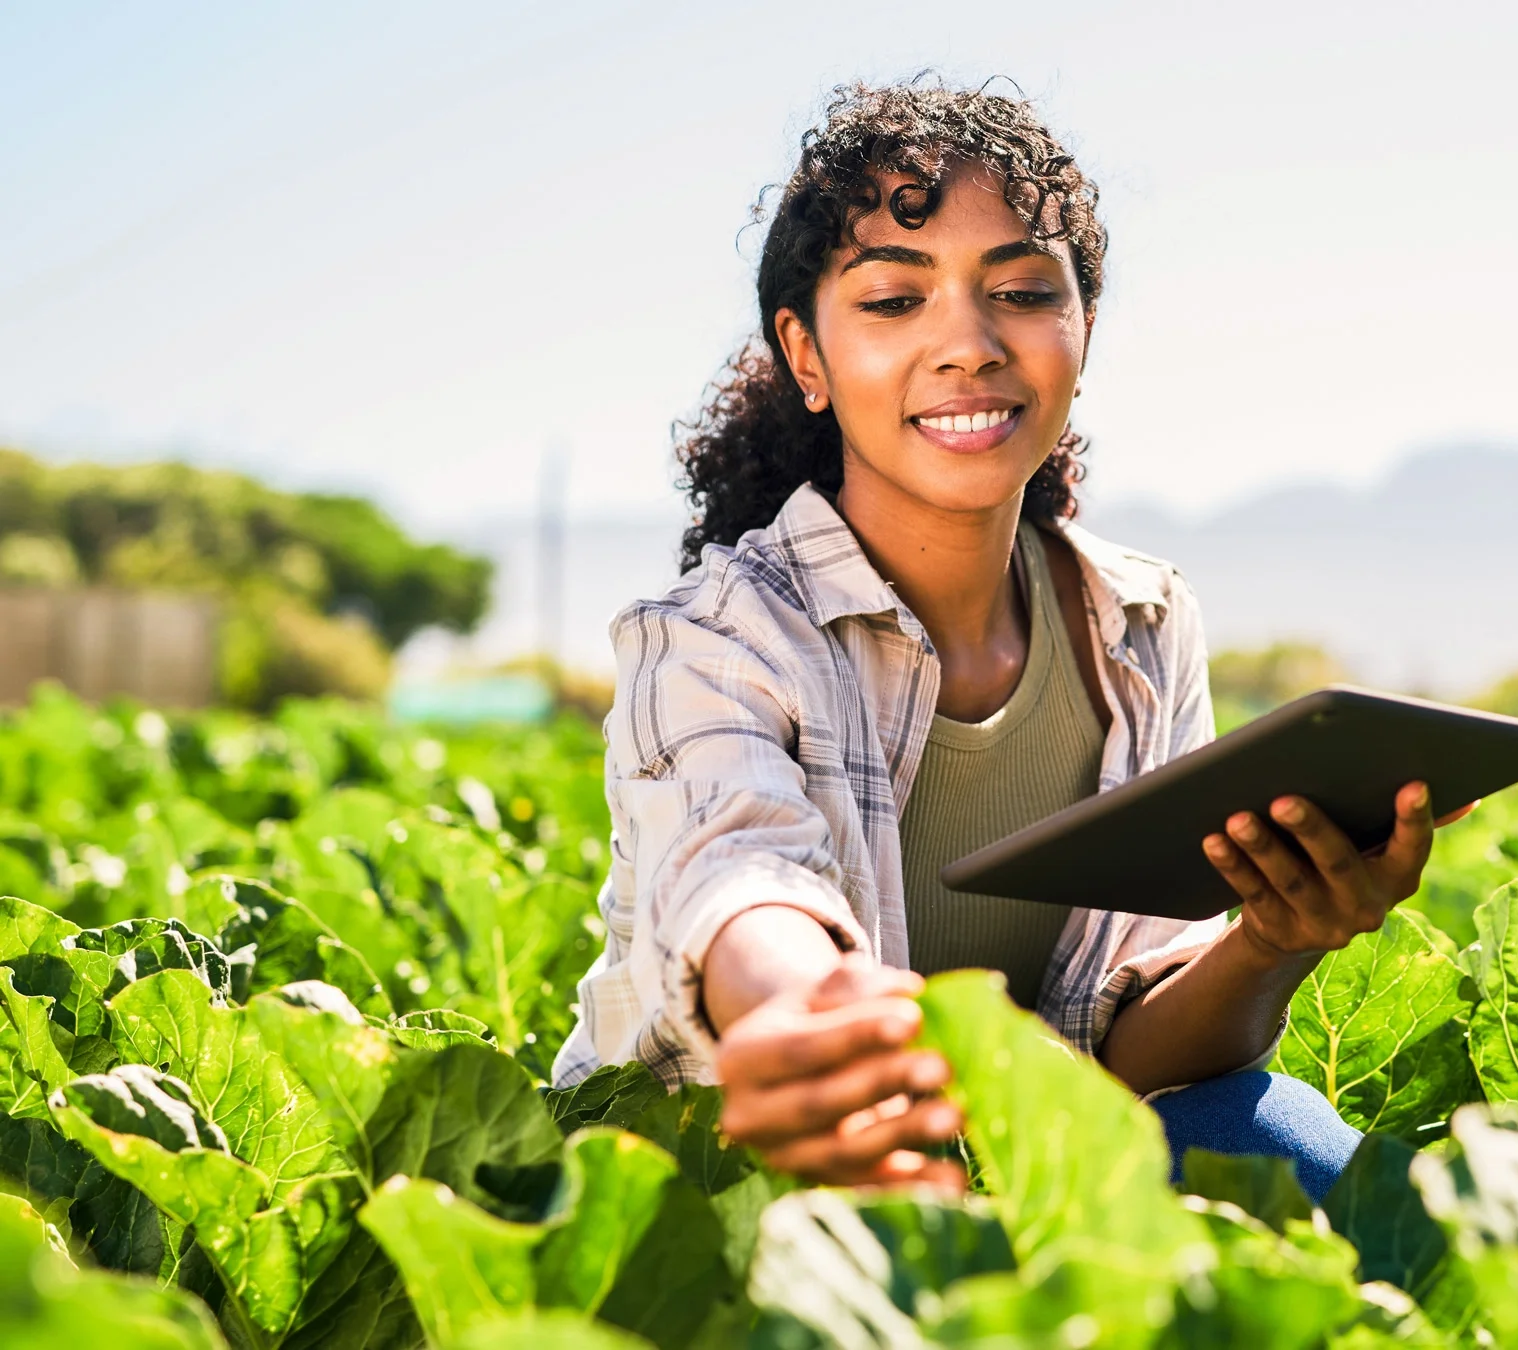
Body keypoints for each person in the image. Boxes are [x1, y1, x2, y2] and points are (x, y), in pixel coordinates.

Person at [552, 82, 1466, 1202]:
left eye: (1024, 291)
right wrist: (804, 1012)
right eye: (893, 301)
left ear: (1084, 328)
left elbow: (1117, 1052)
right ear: (806, 354)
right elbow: (735, 871)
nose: (969, 345)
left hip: (1008, 1158)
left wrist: (1273, 941)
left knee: (1296, 1153)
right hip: (727, 1166)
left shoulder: (1141, 621)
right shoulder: (714, 634)